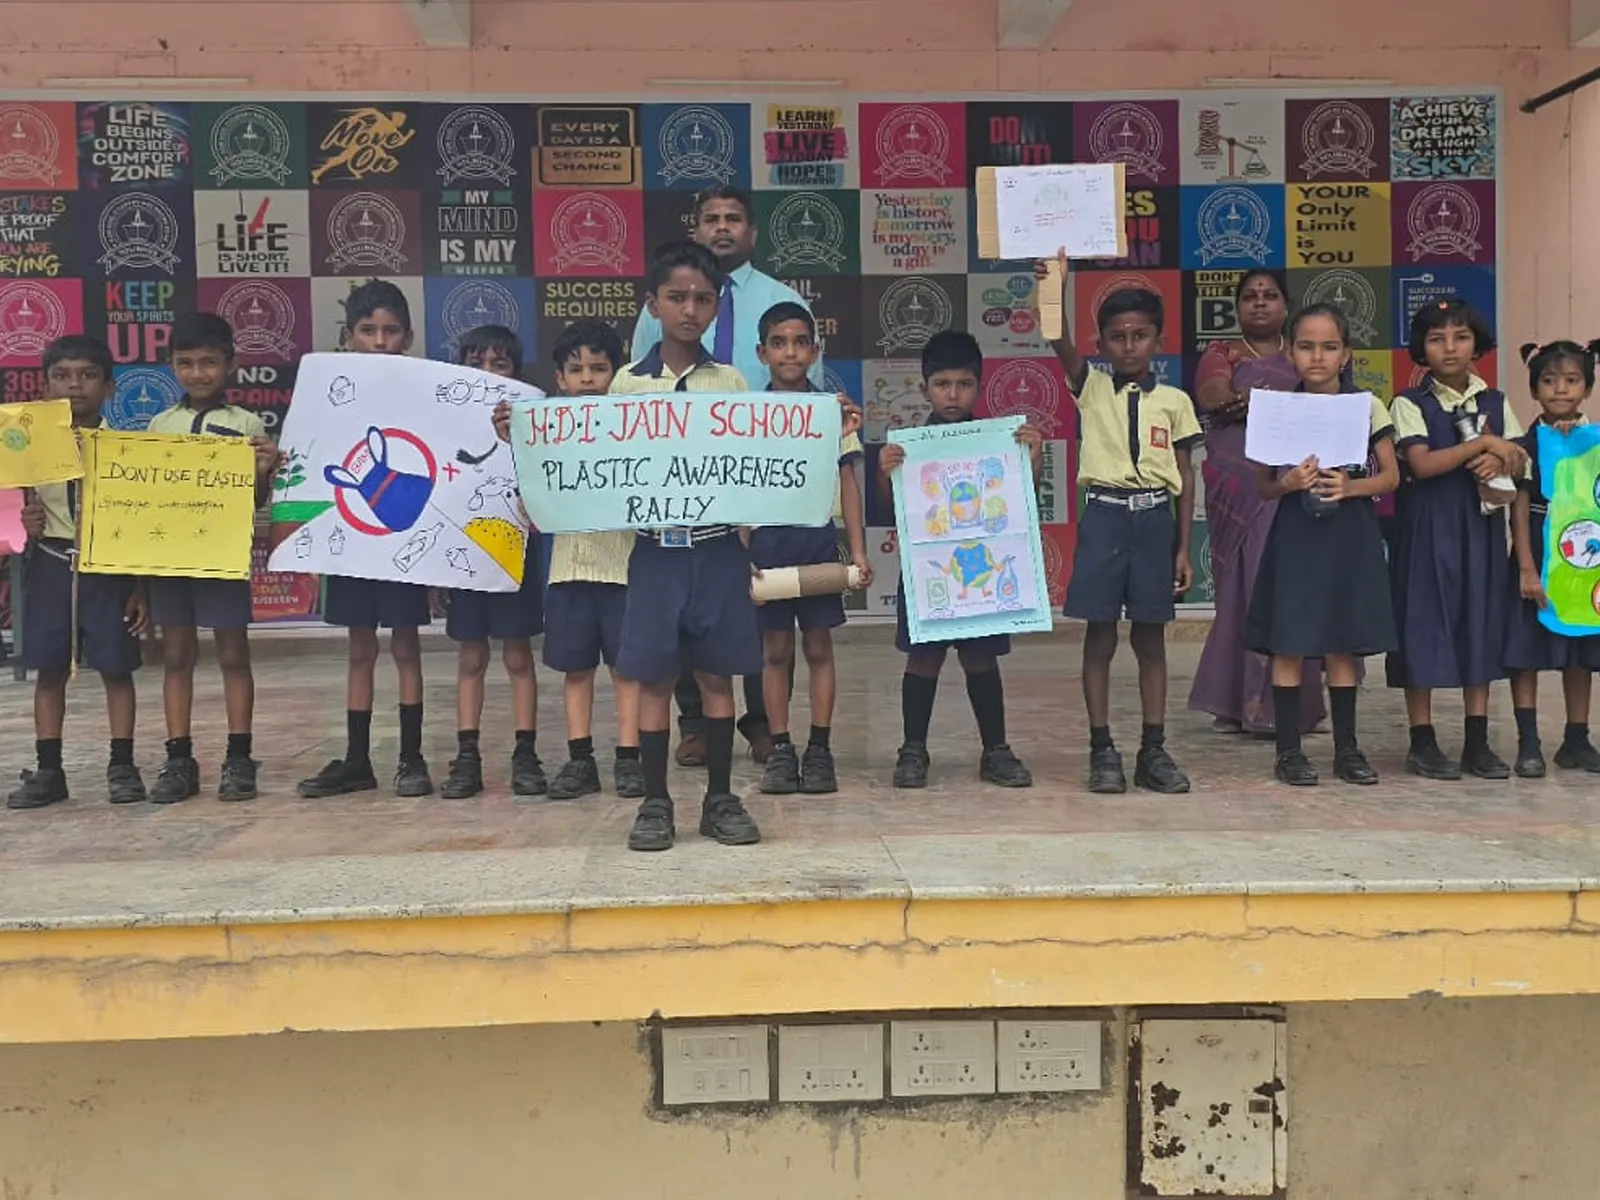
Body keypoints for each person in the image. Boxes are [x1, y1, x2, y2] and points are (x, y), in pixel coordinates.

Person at [632, 186, 821, 767]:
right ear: (695, 229)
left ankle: (764, 724)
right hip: (679, 482)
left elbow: (806, 402)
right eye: (710, 218)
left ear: (752, 232)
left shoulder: (785, 299)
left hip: (759, 479)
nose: (721, 227)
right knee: (690, 608)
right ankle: (694, 724)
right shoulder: (659, 309)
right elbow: (635, 395)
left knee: (764, 613)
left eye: (733, 219)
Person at [614, 241, 764, 852]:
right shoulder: (626, 385)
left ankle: (720, 799)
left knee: (716, 675)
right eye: (676, 297)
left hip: (717, 549)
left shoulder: (731, 383)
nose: (689, 310)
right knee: (653, 680)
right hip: (656, 551)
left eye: (703, 299)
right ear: (653, 304)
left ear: (717, 306)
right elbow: (600, 465)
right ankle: (655, 802)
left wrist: (830, 427)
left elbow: (751, 463)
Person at [1040, 252, 1200, 794]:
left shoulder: (1176, 401)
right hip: (1105, 518)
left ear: (1158, 340)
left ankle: (1153, 749)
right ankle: (1101, 747)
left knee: (1151, 639)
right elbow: (1057, 336)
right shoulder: (1090, 386)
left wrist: (1183, 548)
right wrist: (1055, 285)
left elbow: (1185, 476)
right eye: (1117, 337)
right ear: (1102, 342)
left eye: (1140, 335)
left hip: (1155, 520)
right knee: (1100, 635)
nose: (1129, 346)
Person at [877, 330, 1039, 789]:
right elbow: (892, 510)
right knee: (922, 659)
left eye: (964, 384)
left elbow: (1018, 501)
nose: (953, 394)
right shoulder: (908, 446)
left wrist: (1032, 458)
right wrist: (886, 473)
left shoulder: (998, 442)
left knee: (981, 658)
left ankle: (996, 750)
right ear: (925, 387)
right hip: (930, 571)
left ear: (979, 385)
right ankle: (913, 749)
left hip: (982, 567)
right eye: (942, 384)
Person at [1245, 305, 1399, 786]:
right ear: (1290, 352)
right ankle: (1289, 752)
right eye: (1306, 346)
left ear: (1346, 353)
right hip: (1297, 532)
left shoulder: (1366, 405)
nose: (1318, 356)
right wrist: (1289, 482)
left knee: (1342, 642)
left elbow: (1391, 476)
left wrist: (1350, 487)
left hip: (1349, 531)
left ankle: (1347, 750)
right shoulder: (1277, 409)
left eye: (1329, 347)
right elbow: (1264, 487)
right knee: (1290, 640)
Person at [492, 318, 645, 802]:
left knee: (627, 669)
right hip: (567, 569)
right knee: (576, 670)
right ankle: (581, 760)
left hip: (623, 567)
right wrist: (514, 440)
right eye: (576, 370)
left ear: (616, 375)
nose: (587, 379)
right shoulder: (544, 433)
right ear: (559, 378)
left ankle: (630, 757)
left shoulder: (633, 429)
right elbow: (529, 504)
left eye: (599, 369)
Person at [297, 280, 435, 799]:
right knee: (359, 647)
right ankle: (357, 759)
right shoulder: (326, 392)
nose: (380, 341)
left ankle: (411, 757)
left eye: (391, 331)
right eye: (368, 330)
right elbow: (309, 459)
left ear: (409, 337)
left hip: (401, 538)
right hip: (350, 540)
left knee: (406, 644)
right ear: (348, 335)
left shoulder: (425, 392)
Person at [1387, 299, 1527, 780]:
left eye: (1461, 337)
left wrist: (1501, 457)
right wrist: (1483, 444)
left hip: (1480, 528)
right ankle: (1422, 739)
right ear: (1420, 349)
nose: (1450, 348)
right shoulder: (1409, 403)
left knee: (1478, 623)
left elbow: (1519, 458)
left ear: (1477, 345)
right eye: (1436, 338)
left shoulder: (1495, 402)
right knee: (1422, 625)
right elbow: (1422, 464)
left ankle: (1477, 740)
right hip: (1427, 528)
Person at [7, 335, 149, 809]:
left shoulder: (128, 449)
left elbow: (144, 521)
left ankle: (122, 765)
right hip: (52, 563)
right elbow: (15, 514)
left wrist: (140, 587)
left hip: (109, 568)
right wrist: (26, 524)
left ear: (109, 387)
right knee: (49, 671)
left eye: (88, 376)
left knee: (116, 669)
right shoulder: (25, 447)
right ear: (46, 386)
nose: (74, 386)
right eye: (62, 376)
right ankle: (49, 770)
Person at [143, 313, 280, 803]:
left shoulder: (247, 424)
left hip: (223, 554)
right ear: (171, 366)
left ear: (230, 364)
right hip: (171, 556)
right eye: (185, 363)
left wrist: (264, 468)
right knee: (176, 655)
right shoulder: (159, 425)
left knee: (233, 654)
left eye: (208, 362)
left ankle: (239, 757)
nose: (197, 373)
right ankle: (179, 759)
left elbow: (257, 500)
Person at [1188, 270, 1326, 736]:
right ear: (1237, 308)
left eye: (1269, 296)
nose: (1260, 303)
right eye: (1250, 297)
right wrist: (1276, 403)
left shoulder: (1302, 354)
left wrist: (1254, 401)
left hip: (1295, 482)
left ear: (1286, 305)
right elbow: (1213, 396)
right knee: (1240, 591)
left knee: (1293, 589)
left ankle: (1297, 708)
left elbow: (1326, 401)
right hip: (1237, 489)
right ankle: (1234, 704)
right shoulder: (1222, 353)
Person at [750, 301, 870, 795]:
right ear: (762, 353)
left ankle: (820, 748)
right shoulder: (748, 417)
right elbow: (739, 488)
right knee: (775, 650)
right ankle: (781, 747)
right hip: (768, 544)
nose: (790, 352)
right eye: (779, 343)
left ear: (816, 351)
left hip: (817, 541)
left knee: (819, 646)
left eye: (801, 343)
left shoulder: (830, 412)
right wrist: (742, 555)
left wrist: (859, 552)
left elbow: (848, 483)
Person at [439, 324, 546, 799]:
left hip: (513, 552)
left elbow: (545, 486)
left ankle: (526, 752)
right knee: (471, 656)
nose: (487, 373)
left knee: (518, 654)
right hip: (466, 556)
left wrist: (514, 437)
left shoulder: (531, 423)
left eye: (499, 365)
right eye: (476, 364)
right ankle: (467, 755)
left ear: (516, 374)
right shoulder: (445, 425)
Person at [1505, 339, 1600, 777]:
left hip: (1583, 563)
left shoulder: (1595, 443)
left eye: (1572, 380)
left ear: (1587, 388)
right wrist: (1526, 568)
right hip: (1538, 556)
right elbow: (1520, 507)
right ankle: (1529, 742)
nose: (1560, 389)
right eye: (1549, 381)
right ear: (1533, 389)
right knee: (1525, 650)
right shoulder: (1524, 446)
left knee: (1579, 650)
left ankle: (1576, 739)